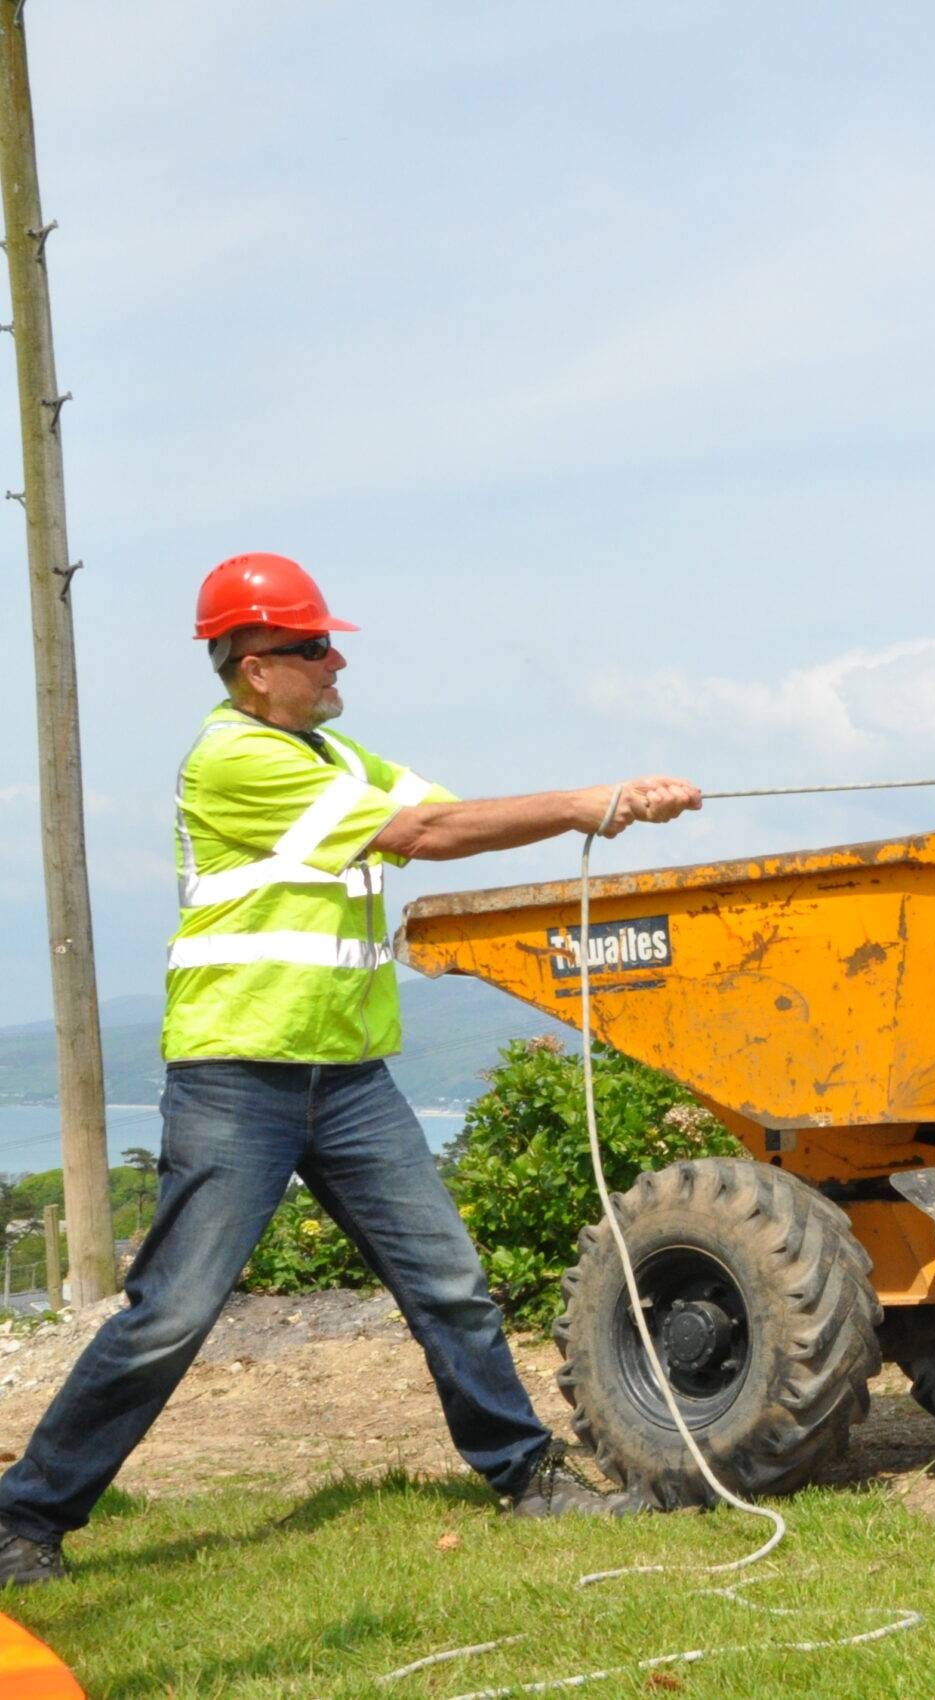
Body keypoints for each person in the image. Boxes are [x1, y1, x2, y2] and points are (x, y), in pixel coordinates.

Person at [0, 553, 704, 1587]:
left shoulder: (335, 754)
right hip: (239, 1076)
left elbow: (452, 821)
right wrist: (588, 800)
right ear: (252, 666)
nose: (335, 663)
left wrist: (607, 805)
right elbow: (424, 831)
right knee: (174, 1313)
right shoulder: (236, 760)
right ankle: (23, 1517)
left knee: (453, 1285)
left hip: (350, 1080)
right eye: (312, 646)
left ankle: (526, 1474)